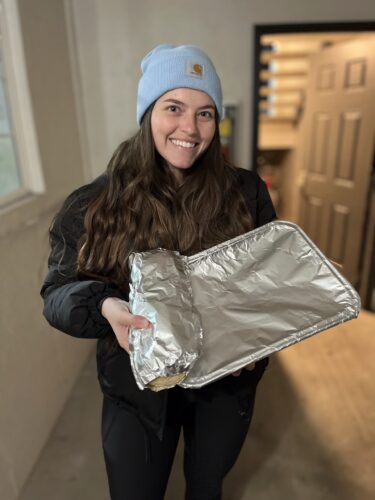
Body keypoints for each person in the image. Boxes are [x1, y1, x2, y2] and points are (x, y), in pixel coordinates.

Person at [41, 44, 276, 500]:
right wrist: (105, 305)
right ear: (148, 112)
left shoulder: (245, 192)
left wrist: (254, 338)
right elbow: (56, 294)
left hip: (222, 386)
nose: (189, 128)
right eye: (174, 108)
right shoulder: (95, 202)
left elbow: (265, 283)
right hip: (135, 389)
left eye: (205, 113)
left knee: (206, 486)